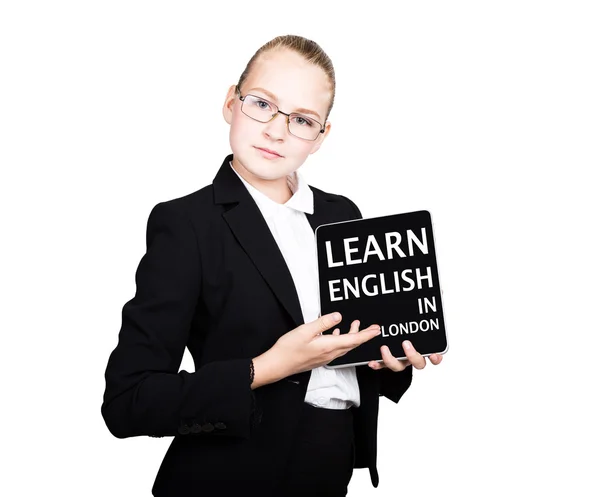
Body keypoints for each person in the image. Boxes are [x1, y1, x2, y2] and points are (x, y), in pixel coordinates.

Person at [101, 34, 442, 497]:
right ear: (230, 103)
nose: (277, 131)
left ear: (322, 136)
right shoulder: (185, 224)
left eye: (302, 119)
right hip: (227, 479)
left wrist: (389, 361)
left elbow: (346, 367)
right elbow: (128, 401)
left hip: (329, 469)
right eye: (262, 104)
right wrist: (266, 367)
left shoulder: (343, 216)